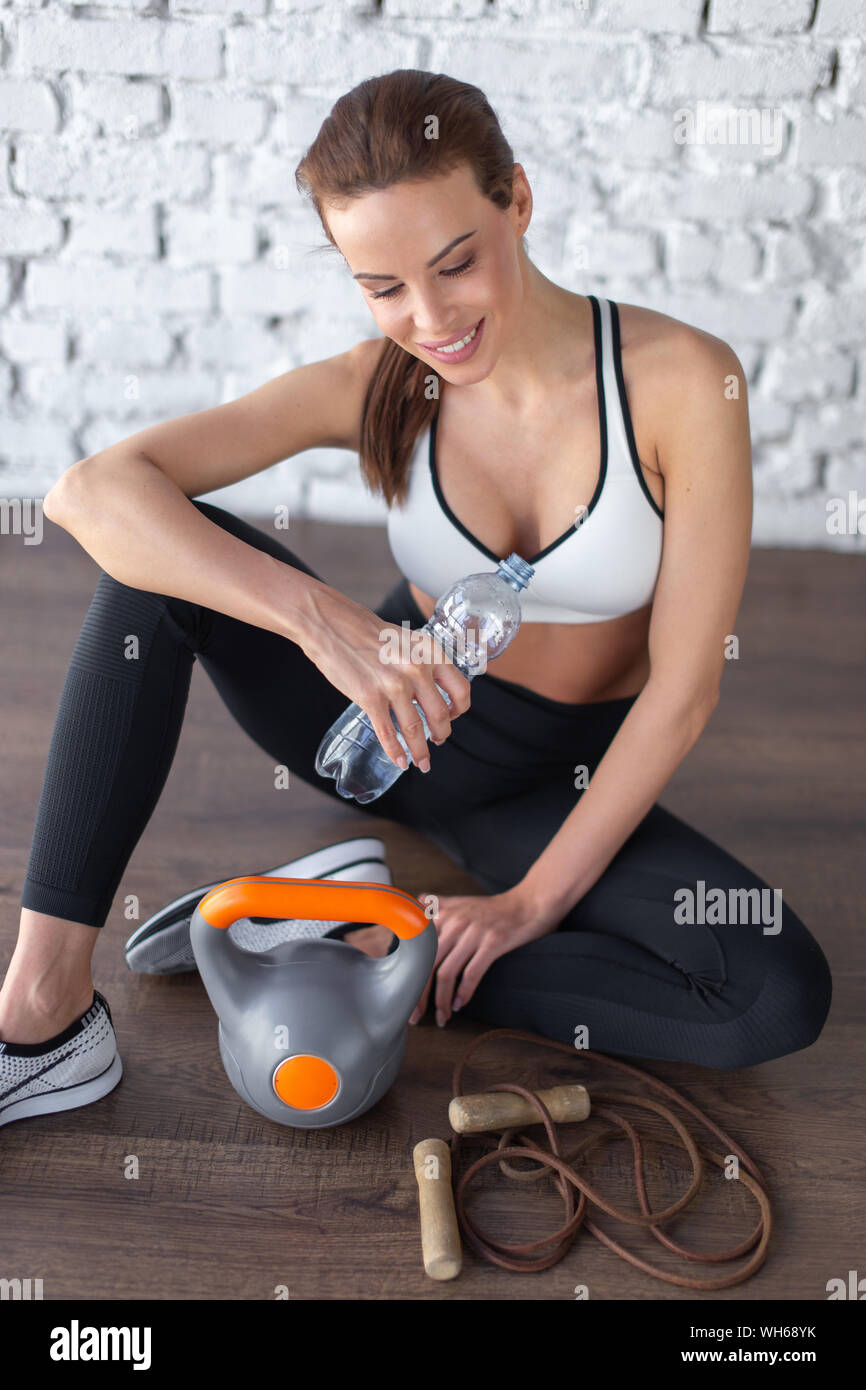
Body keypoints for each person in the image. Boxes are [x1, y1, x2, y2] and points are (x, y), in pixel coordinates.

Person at [0, 70, 831, 1125]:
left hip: (548, 786)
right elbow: (89, 491)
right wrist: (327, 622)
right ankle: (43, 1013)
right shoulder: (376, 382)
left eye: (454, 264)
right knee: (144, 576)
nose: (428, 319)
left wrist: (531, 903)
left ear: (515, 202)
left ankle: (350, 933)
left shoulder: (680, 385)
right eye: (382, 286)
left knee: (769, 995)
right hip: (374, 721)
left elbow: (682, 690)